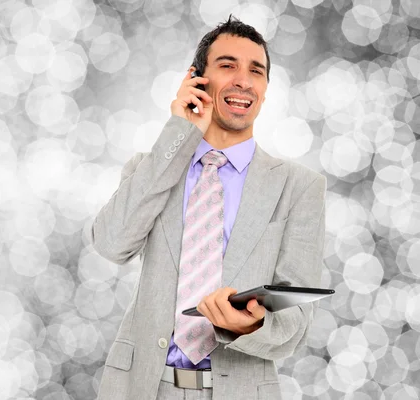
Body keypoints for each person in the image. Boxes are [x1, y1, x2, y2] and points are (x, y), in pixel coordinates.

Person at [92, 15, 326, 400]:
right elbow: (111, 244)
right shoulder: (151, 167)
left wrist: (249, 325)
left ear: (265, 90)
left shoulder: (299, 187)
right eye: (227, 65)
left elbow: (295, 324)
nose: (244, 80)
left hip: (241, 389)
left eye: (257, 71)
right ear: (196, 79)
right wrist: (179, 131)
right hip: (142, 388)